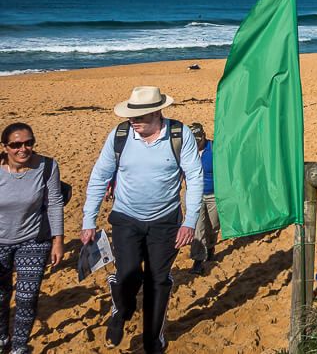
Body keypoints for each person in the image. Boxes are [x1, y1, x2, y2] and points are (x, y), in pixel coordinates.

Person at [81, 87, 203, 354]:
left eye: (140, 116)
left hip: (166, 222)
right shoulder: (120, 135)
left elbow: (194, 178)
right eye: (131, 115)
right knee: (128, 275)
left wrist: (190, 221)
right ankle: (120, 309)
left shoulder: (179, 135)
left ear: (158, 112)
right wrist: (88, 220)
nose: (133, 120)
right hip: (126, 219)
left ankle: (153, 340)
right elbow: (100, 176)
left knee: (158, 281)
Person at [0, 123, 64, 354]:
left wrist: (58, 241)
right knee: (1, 295)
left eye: (28, 143)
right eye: (16, 145)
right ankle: (2, 338)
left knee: (27, 298)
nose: (23, 149)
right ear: (5, 147)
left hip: (33, 240)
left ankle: (19, 347)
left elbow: (55, 203)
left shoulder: (46, 166)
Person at [186, 123, 219, 275]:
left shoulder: (214, 149)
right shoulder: (186, 151)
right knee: (198, 228)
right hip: (195, 195)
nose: (196, 144)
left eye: (198, 140)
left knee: (213, 225)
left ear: (204, 136)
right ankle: (198, 260)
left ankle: (211, 246)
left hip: (214, 193)